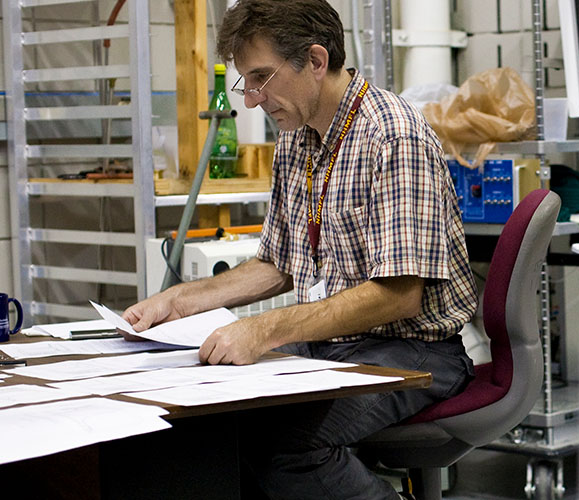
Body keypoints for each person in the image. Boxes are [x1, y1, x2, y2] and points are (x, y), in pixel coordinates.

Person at [119, 0, 477, 497]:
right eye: (247, 82)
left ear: (314, 60)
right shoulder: (298, 135)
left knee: (285, 445)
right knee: (215, 420)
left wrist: (263, 328)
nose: (251, 100)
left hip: (418, 350)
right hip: (344, 342)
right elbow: (277, 264)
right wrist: (183, 300)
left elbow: (399, 296)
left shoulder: (391, 135)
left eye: (261, 78)